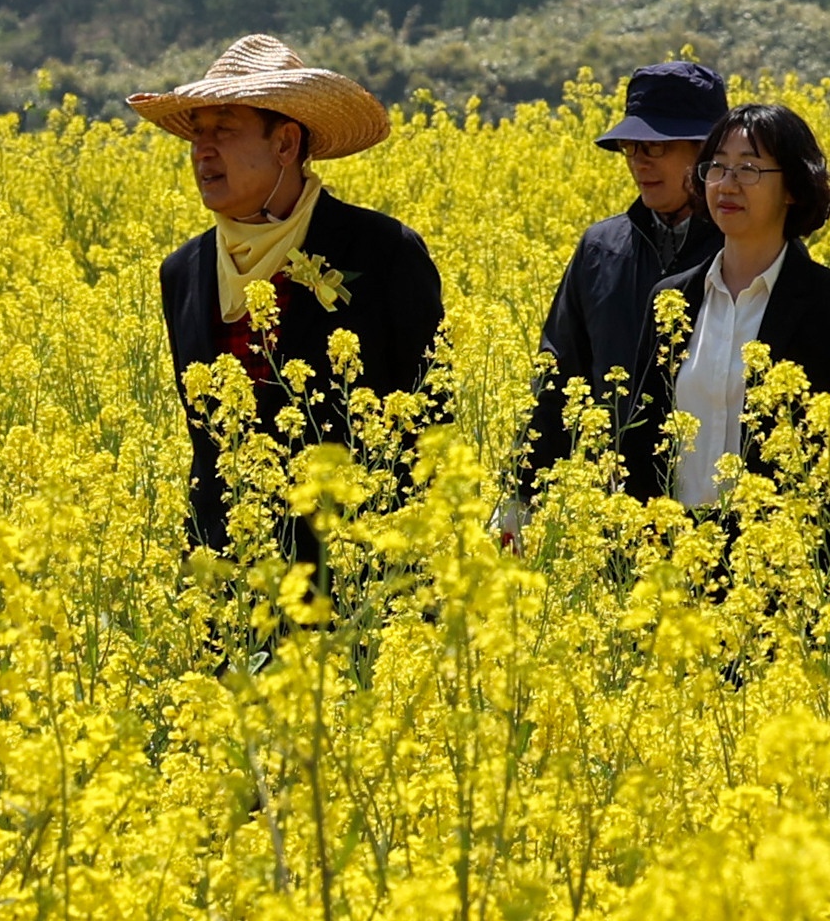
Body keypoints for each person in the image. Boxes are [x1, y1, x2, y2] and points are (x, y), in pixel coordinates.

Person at [135, 34, 447, 555]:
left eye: (225, 131)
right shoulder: (183, 273)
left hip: (357, 574)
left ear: (285, 144)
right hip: (232, 581)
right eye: (198, 134)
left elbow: (430, 423)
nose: (203, 152)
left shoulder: (381, 253)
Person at [672, 103, 830, 594]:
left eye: (750, 168)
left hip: (790, 575)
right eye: (717, 166)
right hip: (677, 565)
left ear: (793, 188)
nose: (727, 184)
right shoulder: (672, 300)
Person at [505, 61, 729, 521]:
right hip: (611, 516)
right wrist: (520, 496)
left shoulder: (745, 252)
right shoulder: (601, 248)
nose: (638, 162)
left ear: (706, 153)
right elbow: (559, 376)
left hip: (717, 515)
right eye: (630, 147)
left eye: (654, 147)